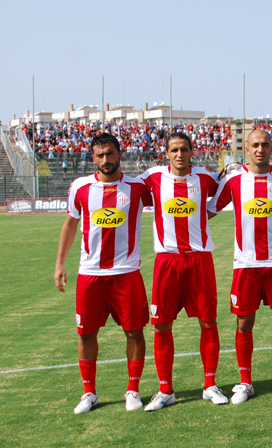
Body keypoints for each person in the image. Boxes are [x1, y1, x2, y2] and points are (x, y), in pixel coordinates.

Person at [54, 133, 152, 413]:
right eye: (100, 155)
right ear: (93, 158)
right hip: (90, 274)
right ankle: (89, 393)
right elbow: (71, 224)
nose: (106, 160)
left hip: (126, 273)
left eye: (110, 154)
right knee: (86, 334)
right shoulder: (81, 187)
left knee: (134, 332)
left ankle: (132, 390)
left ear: (120, 154)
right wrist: (60, 263)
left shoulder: (137, 187)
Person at [206, 130, 272, 404]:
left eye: (265, 144)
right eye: (255, 145)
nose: (261, 149)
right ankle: (245, 382)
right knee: (244, 322)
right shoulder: (234, 180)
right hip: (245, 264)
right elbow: (210, 209)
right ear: (246, 149)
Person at [139, 132, 226, 411]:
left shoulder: (206, 178)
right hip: (167, 261)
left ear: (192, 152)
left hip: (199, 260)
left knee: (208, 322)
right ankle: (166, 390)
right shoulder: (151, 178)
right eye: (174, 150)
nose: (179, 154)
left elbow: (229, 192)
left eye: (184, 149)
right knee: (162, 325)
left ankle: (210, 385)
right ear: (166, 154)